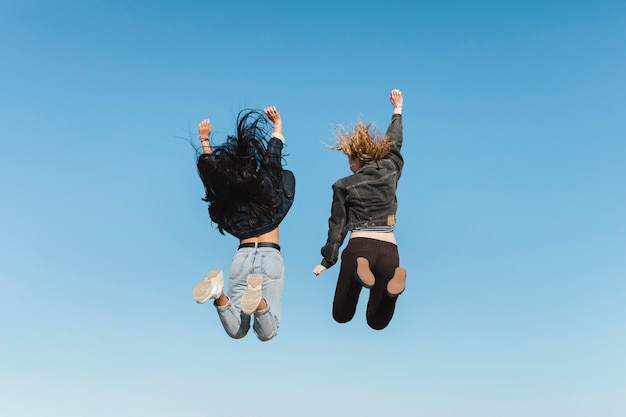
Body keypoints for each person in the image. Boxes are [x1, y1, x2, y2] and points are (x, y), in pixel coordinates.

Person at [192, 106, 295, 342]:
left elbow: (213, 175)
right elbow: (273, 156)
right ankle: (256, 298)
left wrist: (204, 140)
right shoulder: (265, 188)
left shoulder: (230, 196)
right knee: (267, 333)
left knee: (238, 332)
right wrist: (277, 124)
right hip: (269, 256)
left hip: (242, 257)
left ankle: (217, 293)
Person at [313, 89, 407, 330]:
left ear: (358, 158)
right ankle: (391, 292)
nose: (349, 165)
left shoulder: (343, 185)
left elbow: (338, 225)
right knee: (377, 322)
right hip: (390, 248)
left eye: (349, 160)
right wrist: (397, 111)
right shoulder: (391, 171)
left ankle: (359, 267)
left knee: (341, 314)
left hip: (360, 245)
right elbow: (394, 143)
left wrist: (327, 260)